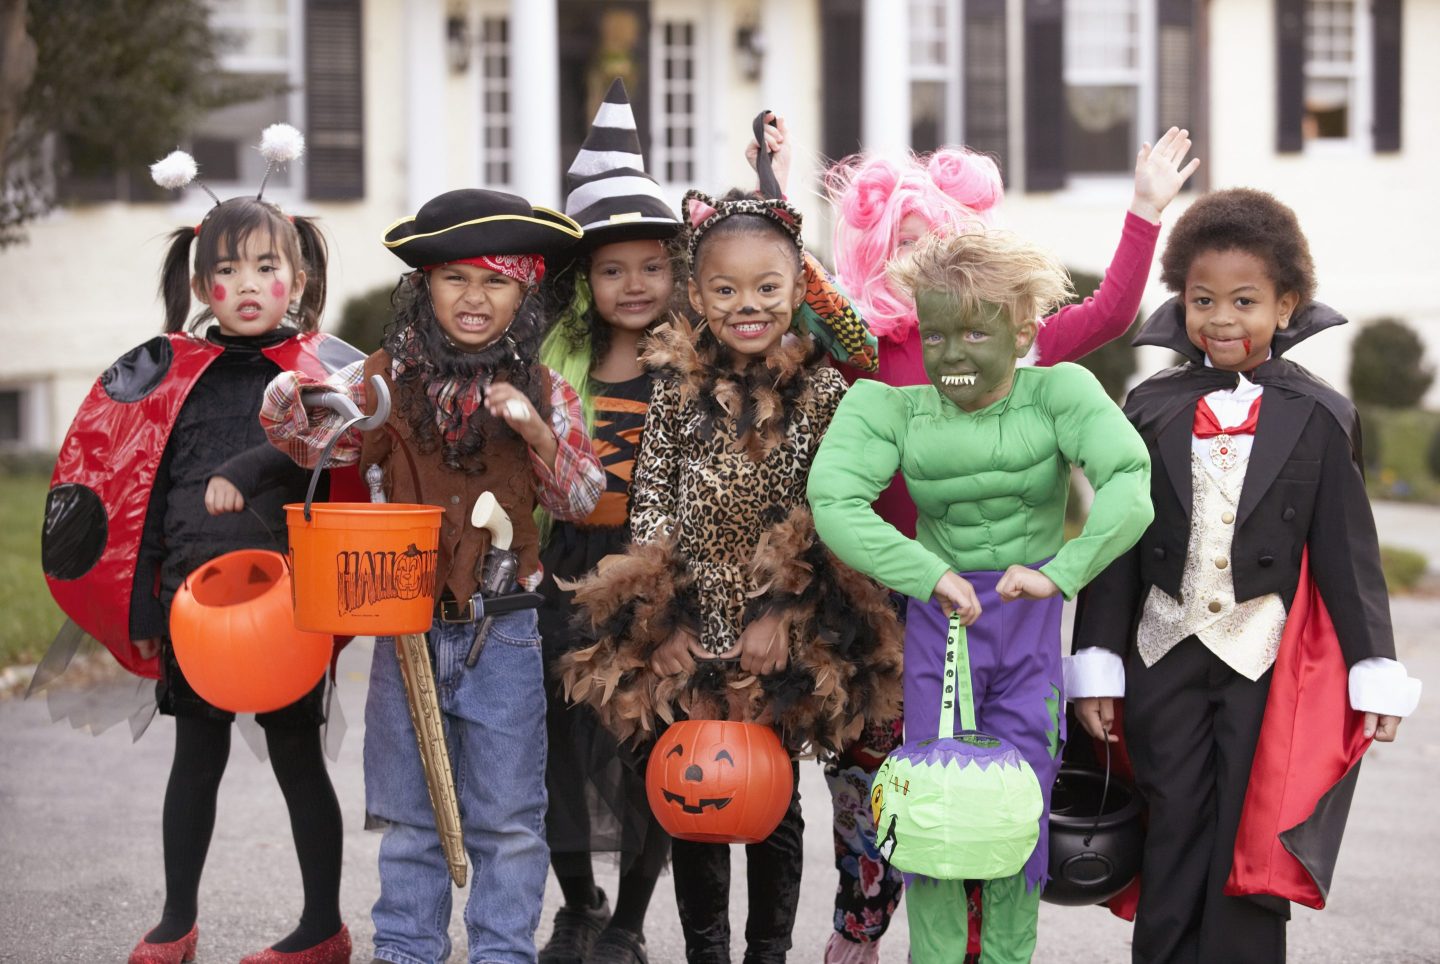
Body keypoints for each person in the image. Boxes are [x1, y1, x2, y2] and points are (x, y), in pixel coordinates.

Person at [812, 127, 1198, 960]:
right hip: (936, 626)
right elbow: (834, 498)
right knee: (935, 819)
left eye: (974, 337)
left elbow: (1130, 487)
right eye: (937, 335)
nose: (949, 357)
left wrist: (1060, 573)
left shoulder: (1059, 391)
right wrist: (926, 573)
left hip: (1026, 631)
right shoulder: (891, 399)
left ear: (1022, 331)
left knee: (1016, 820)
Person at [1068, 188, 1422, 964]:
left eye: (1244, 300)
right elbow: (1116, 543)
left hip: (1264, 663)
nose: (1221, 318)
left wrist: (1374, 666)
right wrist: (1095, 664)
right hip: (1162, 655)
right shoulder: (1149, 408)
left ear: (1286, 304)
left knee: (1249, 838)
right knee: (1174, 820)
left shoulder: (1322, 416)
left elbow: (1347, 554)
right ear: (1181, 302)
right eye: (1202, 300)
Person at [558, 188, 904, 964]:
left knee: (771, 807)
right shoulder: (676, 387)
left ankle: (767, 953)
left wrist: (786, 611)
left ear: (796, 290)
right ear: (697, 295)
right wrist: (659, 619)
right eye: (725, 289)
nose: (747, 305)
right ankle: (706, 953)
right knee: (697, 800)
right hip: (691, 623)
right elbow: (648, 502)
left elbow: (834, 506)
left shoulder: (823, 391)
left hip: (780, 629)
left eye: (767, 288)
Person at [260, 188, 605, 964]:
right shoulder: (385, 382)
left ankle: (501, 953)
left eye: (497, 281)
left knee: (510, 823)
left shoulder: (548, 390)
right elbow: (300, 437)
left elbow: (583, 498)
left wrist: (535, 431)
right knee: (411, 819)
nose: (475, 298)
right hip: (404, 627)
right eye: (456, 279)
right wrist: (296, 383)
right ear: (425, 287)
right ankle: (408, 951)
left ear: (523, 294)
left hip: (505, 628)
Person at [41, 130, 356, 964]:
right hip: (191, 600)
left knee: (297, 757)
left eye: (264, 267)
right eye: (226, 272)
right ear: (199, 282)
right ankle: (176, 920)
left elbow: (332, 455)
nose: (246, 286)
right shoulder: (174, 376)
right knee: (197, 756)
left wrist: (254, 470)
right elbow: (140, 495)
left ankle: (322, 926)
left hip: (285, 603)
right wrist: (145, 605)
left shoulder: (315, 376)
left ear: (299, 276)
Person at [532, 79, 683, 964]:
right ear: (585, 278)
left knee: (646, 749)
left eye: (652, 266)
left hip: (658, 563)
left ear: (676, 269)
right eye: (612, 268)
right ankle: (577, 901)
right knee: (559, 745)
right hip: (568, 560)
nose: (634, 285)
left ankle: (629, 920)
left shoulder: (693, 356)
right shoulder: (561, 351)